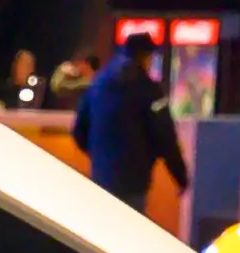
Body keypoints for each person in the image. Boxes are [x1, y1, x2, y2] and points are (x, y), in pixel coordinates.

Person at [72, 29, 170, 218]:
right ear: (146, 56)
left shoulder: (98, 84)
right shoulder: (148, 88)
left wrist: (99, 155)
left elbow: (79, 130)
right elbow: (165, 135)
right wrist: (181, 177)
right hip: (134, 181)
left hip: (102, 177)